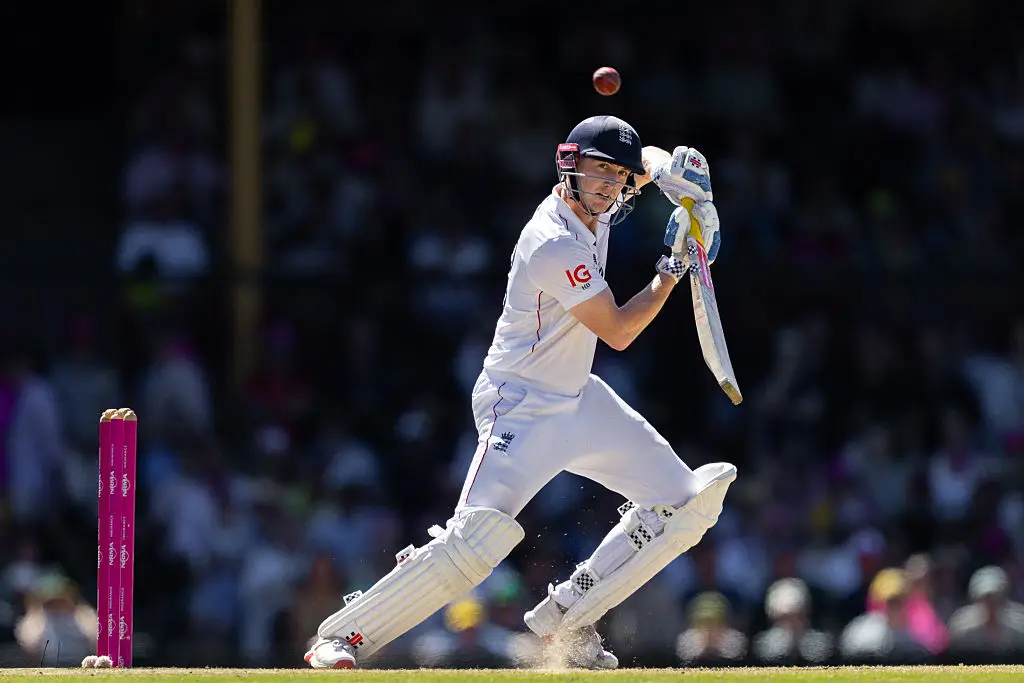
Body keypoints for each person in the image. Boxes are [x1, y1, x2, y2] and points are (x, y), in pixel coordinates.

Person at [304, 115, 736, 670]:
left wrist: (679, 174)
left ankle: (568, 623)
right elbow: (620, 331)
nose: (607, 186)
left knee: (686, 503)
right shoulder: (553, 241)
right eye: (596, 172)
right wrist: (675, 264)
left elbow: (646, 162)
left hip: (579, 399)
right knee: (476, 541)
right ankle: (344, 636)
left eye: (617, 178)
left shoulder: (601, 198)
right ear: (568, 165)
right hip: (521, 406)